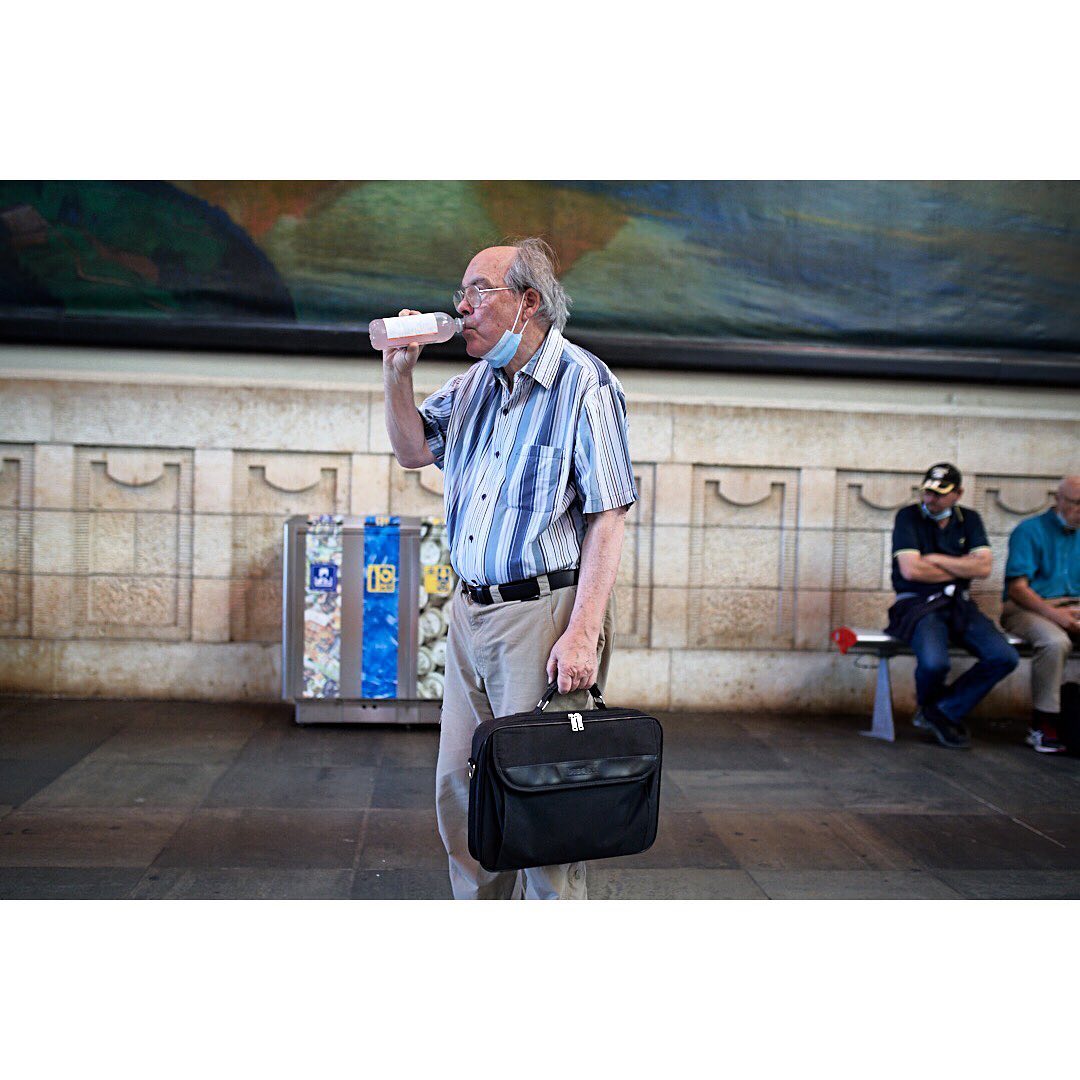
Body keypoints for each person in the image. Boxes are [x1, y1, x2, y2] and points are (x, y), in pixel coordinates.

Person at [380, 238, 637, 899]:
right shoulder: (473, 385)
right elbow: (413, 450)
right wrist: (398, 373)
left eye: (478, 291)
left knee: (541, 804)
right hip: (472, 614)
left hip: (541, 617)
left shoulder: (585, 385)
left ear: (528, 303)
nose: (461, 307)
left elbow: (609, 516)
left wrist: (582, 633)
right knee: (462, 795)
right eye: (459, 294)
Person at [888, 463, 1019, 748]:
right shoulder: (908, 517)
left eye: (939, 494)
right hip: (917, 603)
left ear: (957, 494)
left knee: (1004, 656)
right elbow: (911, 571)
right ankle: (935, 710)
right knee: (935, 663)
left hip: (959, 603)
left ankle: (941, 711)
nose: (931, 500)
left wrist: (934, 559)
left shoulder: (969, 519)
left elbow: (983, 567)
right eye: (927, 493)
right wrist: (962, 567)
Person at [999, 475, 1080, 753]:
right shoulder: (1030, 530)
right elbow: (1018, 589)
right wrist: (1057, 616)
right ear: (1058, 500)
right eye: (1076, 503)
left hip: (1073, 605)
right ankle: (1043, 724)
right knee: (1055, 642)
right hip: (1029, 606)